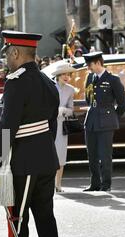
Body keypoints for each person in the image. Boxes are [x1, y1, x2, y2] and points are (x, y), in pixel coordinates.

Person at [0, 30, 61, 237]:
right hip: (46, 160)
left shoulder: (16, 82)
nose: (7, 58)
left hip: (24, 163)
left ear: (16, 53)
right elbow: (51, 124)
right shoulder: (45, 80)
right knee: (46, 221)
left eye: (8, 52)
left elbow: (7, 126)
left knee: (17, 223)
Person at [82, 52, 125, 192]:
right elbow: (88, 99)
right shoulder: (90, 77)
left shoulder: (113, 79)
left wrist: (113, 117)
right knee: (92, 154)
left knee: (104, 155)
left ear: (97, 63)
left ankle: (105, 184)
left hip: (106, 121)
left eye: (89, 65)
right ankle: (94, 183)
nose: (88, 68)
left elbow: (123, 103)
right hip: (91, 120)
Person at [52, 63, 77, 193]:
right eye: (64, 74)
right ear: (58, 75)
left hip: (61, 125)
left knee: (61, 156)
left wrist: (63, 110)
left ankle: (58, 184)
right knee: (48, 155)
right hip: (48, 124)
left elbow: (71, 110)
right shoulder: (49, 87)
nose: (67, 77)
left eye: (69, 74)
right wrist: (53, 111)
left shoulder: (70, 89)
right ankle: (48, 184)